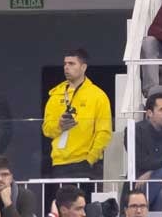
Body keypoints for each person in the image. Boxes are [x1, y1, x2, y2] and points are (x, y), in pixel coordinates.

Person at [42, 48, 112, 177]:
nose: (66, 67)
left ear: (83, 67)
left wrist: (90, 159)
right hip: (59, 163)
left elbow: (104, 132)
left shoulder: (97, 95)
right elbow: (46, 129)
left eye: (72, 64)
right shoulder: (56, 95)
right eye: (65, 64)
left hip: (85, 163)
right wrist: (59, 125)